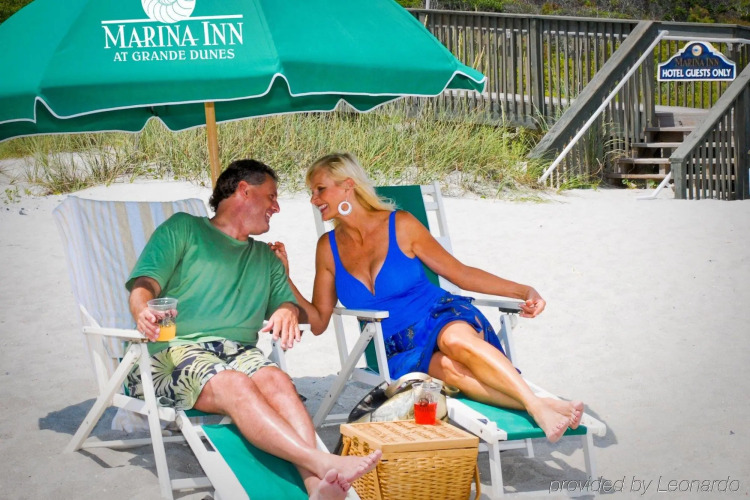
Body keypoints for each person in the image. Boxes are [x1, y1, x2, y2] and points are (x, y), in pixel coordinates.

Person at [270, 153, 583, 443]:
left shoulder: (401, 225)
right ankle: (543, 404)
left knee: (455, 341)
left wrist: (523, 291)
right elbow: (318, 321)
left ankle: (535, 407)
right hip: (398, 348)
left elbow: (460, 273)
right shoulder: (328, 248)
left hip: (438, 315)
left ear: (348, 186)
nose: (313, 199)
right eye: (312, 192)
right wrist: (285, 277)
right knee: (449, 370)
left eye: (320, 189)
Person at [126, 159, 380, 500]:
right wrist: (142, 309)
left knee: (277, 381)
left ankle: (315, 484)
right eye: (271, 196)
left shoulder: (266, 257)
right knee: (235, 384)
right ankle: (321, 462)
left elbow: (293, 308)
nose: (277, 207)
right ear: (244, 190)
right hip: (171, 352)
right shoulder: (184, 229)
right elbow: (145, 283)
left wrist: (287, 309)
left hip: (239, 353)